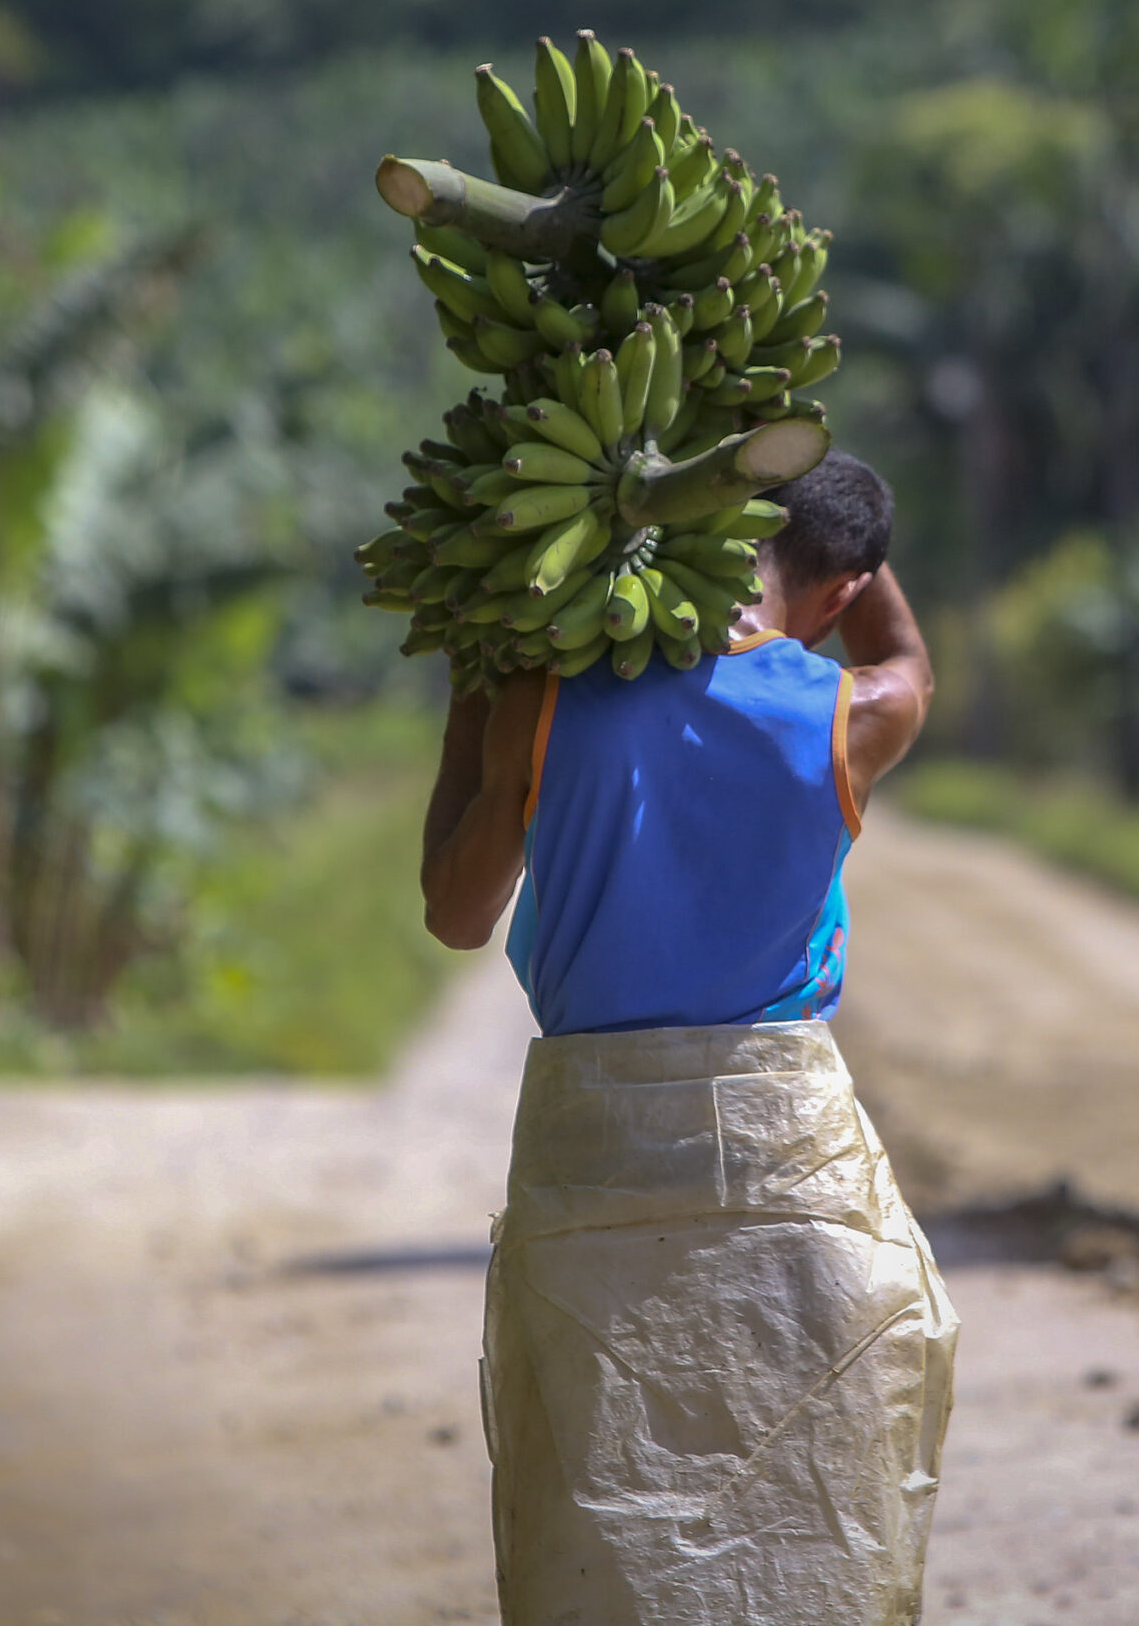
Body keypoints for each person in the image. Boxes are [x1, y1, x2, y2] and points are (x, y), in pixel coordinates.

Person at [417, 450, 958, 1626]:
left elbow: (456, 916)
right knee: (818, 1528)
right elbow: (904, 660)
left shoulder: (542, 696)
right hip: (789, 1158)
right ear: (840, 585)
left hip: (592, 1156)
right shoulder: (847, 712)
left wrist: (482, 680)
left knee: (599, 1534)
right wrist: (834, 538)